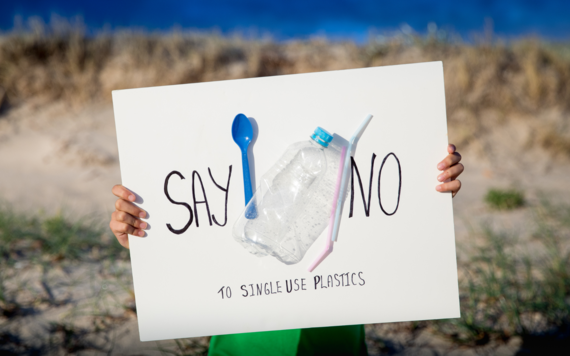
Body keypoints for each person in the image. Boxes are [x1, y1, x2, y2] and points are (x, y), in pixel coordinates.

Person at [109, 144, 464, 355]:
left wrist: (427, 188)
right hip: (241, 346)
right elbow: (195, 246)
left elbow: (390, 230)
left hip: (333, 341)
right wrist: (142, 236)